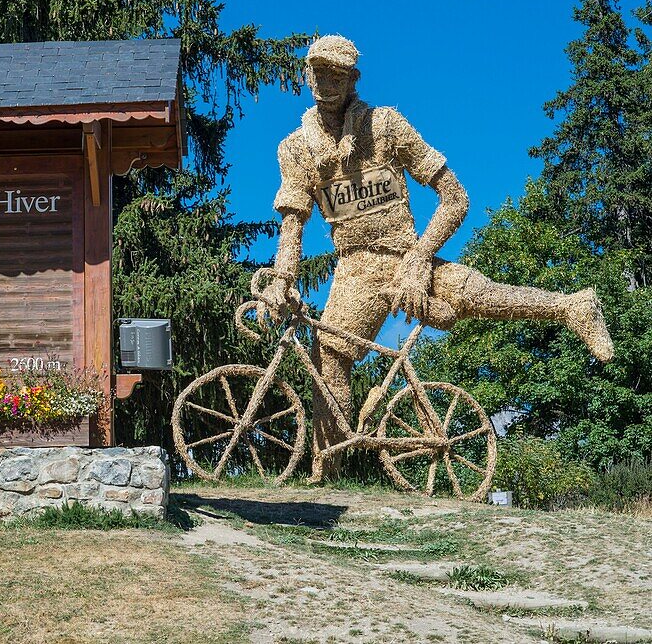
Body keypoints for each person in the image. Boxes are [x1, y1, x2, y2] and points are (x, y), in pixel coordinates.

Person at [263, 34, 614, 476]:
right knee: (330, 354)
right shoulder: (296, 149)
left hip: (408, 256)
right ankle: (328, 475)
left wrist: (418, 259)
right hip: (356, 269)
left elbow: (455, 197)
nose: (325, 81)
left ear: (353, 79)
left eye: (336, 73)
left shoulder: (386, 125)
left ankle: (572, 306)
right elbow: (293, 221)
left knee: (475, 293)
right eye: (317, 71)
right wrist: (282, 280)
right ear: (306, 76)